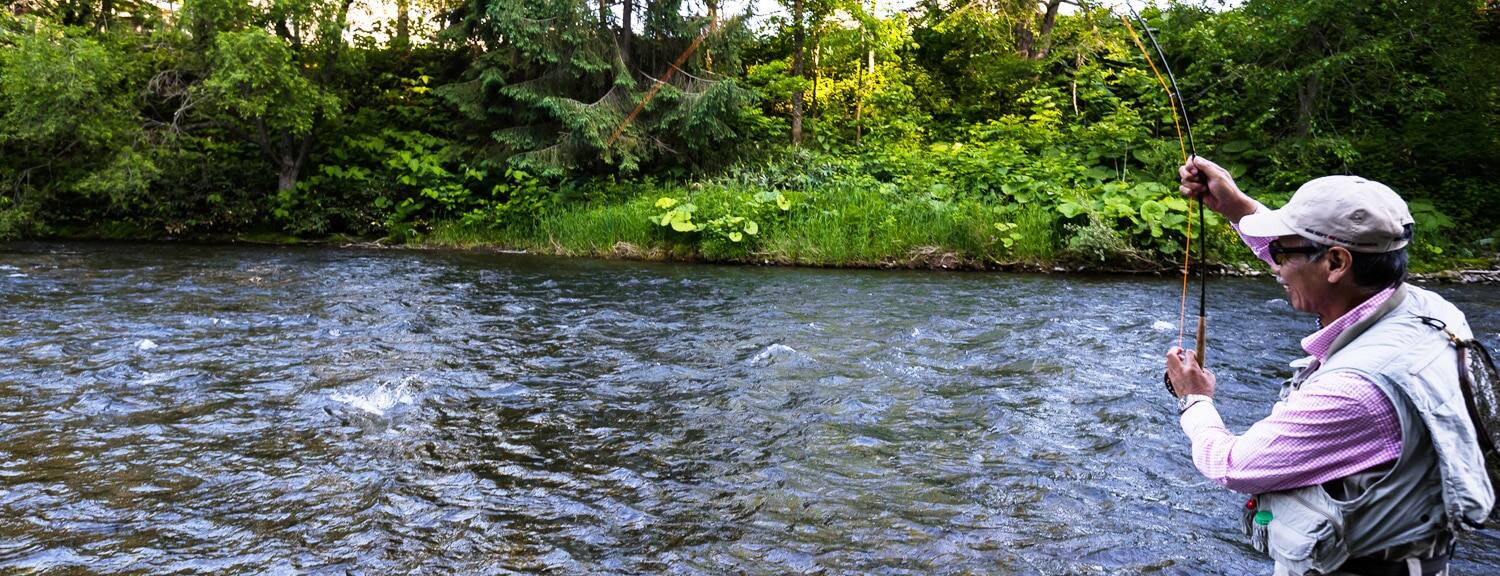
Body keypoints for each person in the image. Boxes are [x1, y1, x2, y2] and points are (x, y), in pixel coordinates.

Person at [1164, 157, 1493, 576]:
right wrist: (1237, 207)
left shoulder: (1356, 389)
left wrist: (1194, 398)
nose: (1276, 268)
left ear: (1337, 263)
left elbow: (1233, 465)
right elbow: (1305, 257)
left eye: (1282, 252)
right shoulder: (1431, 310)